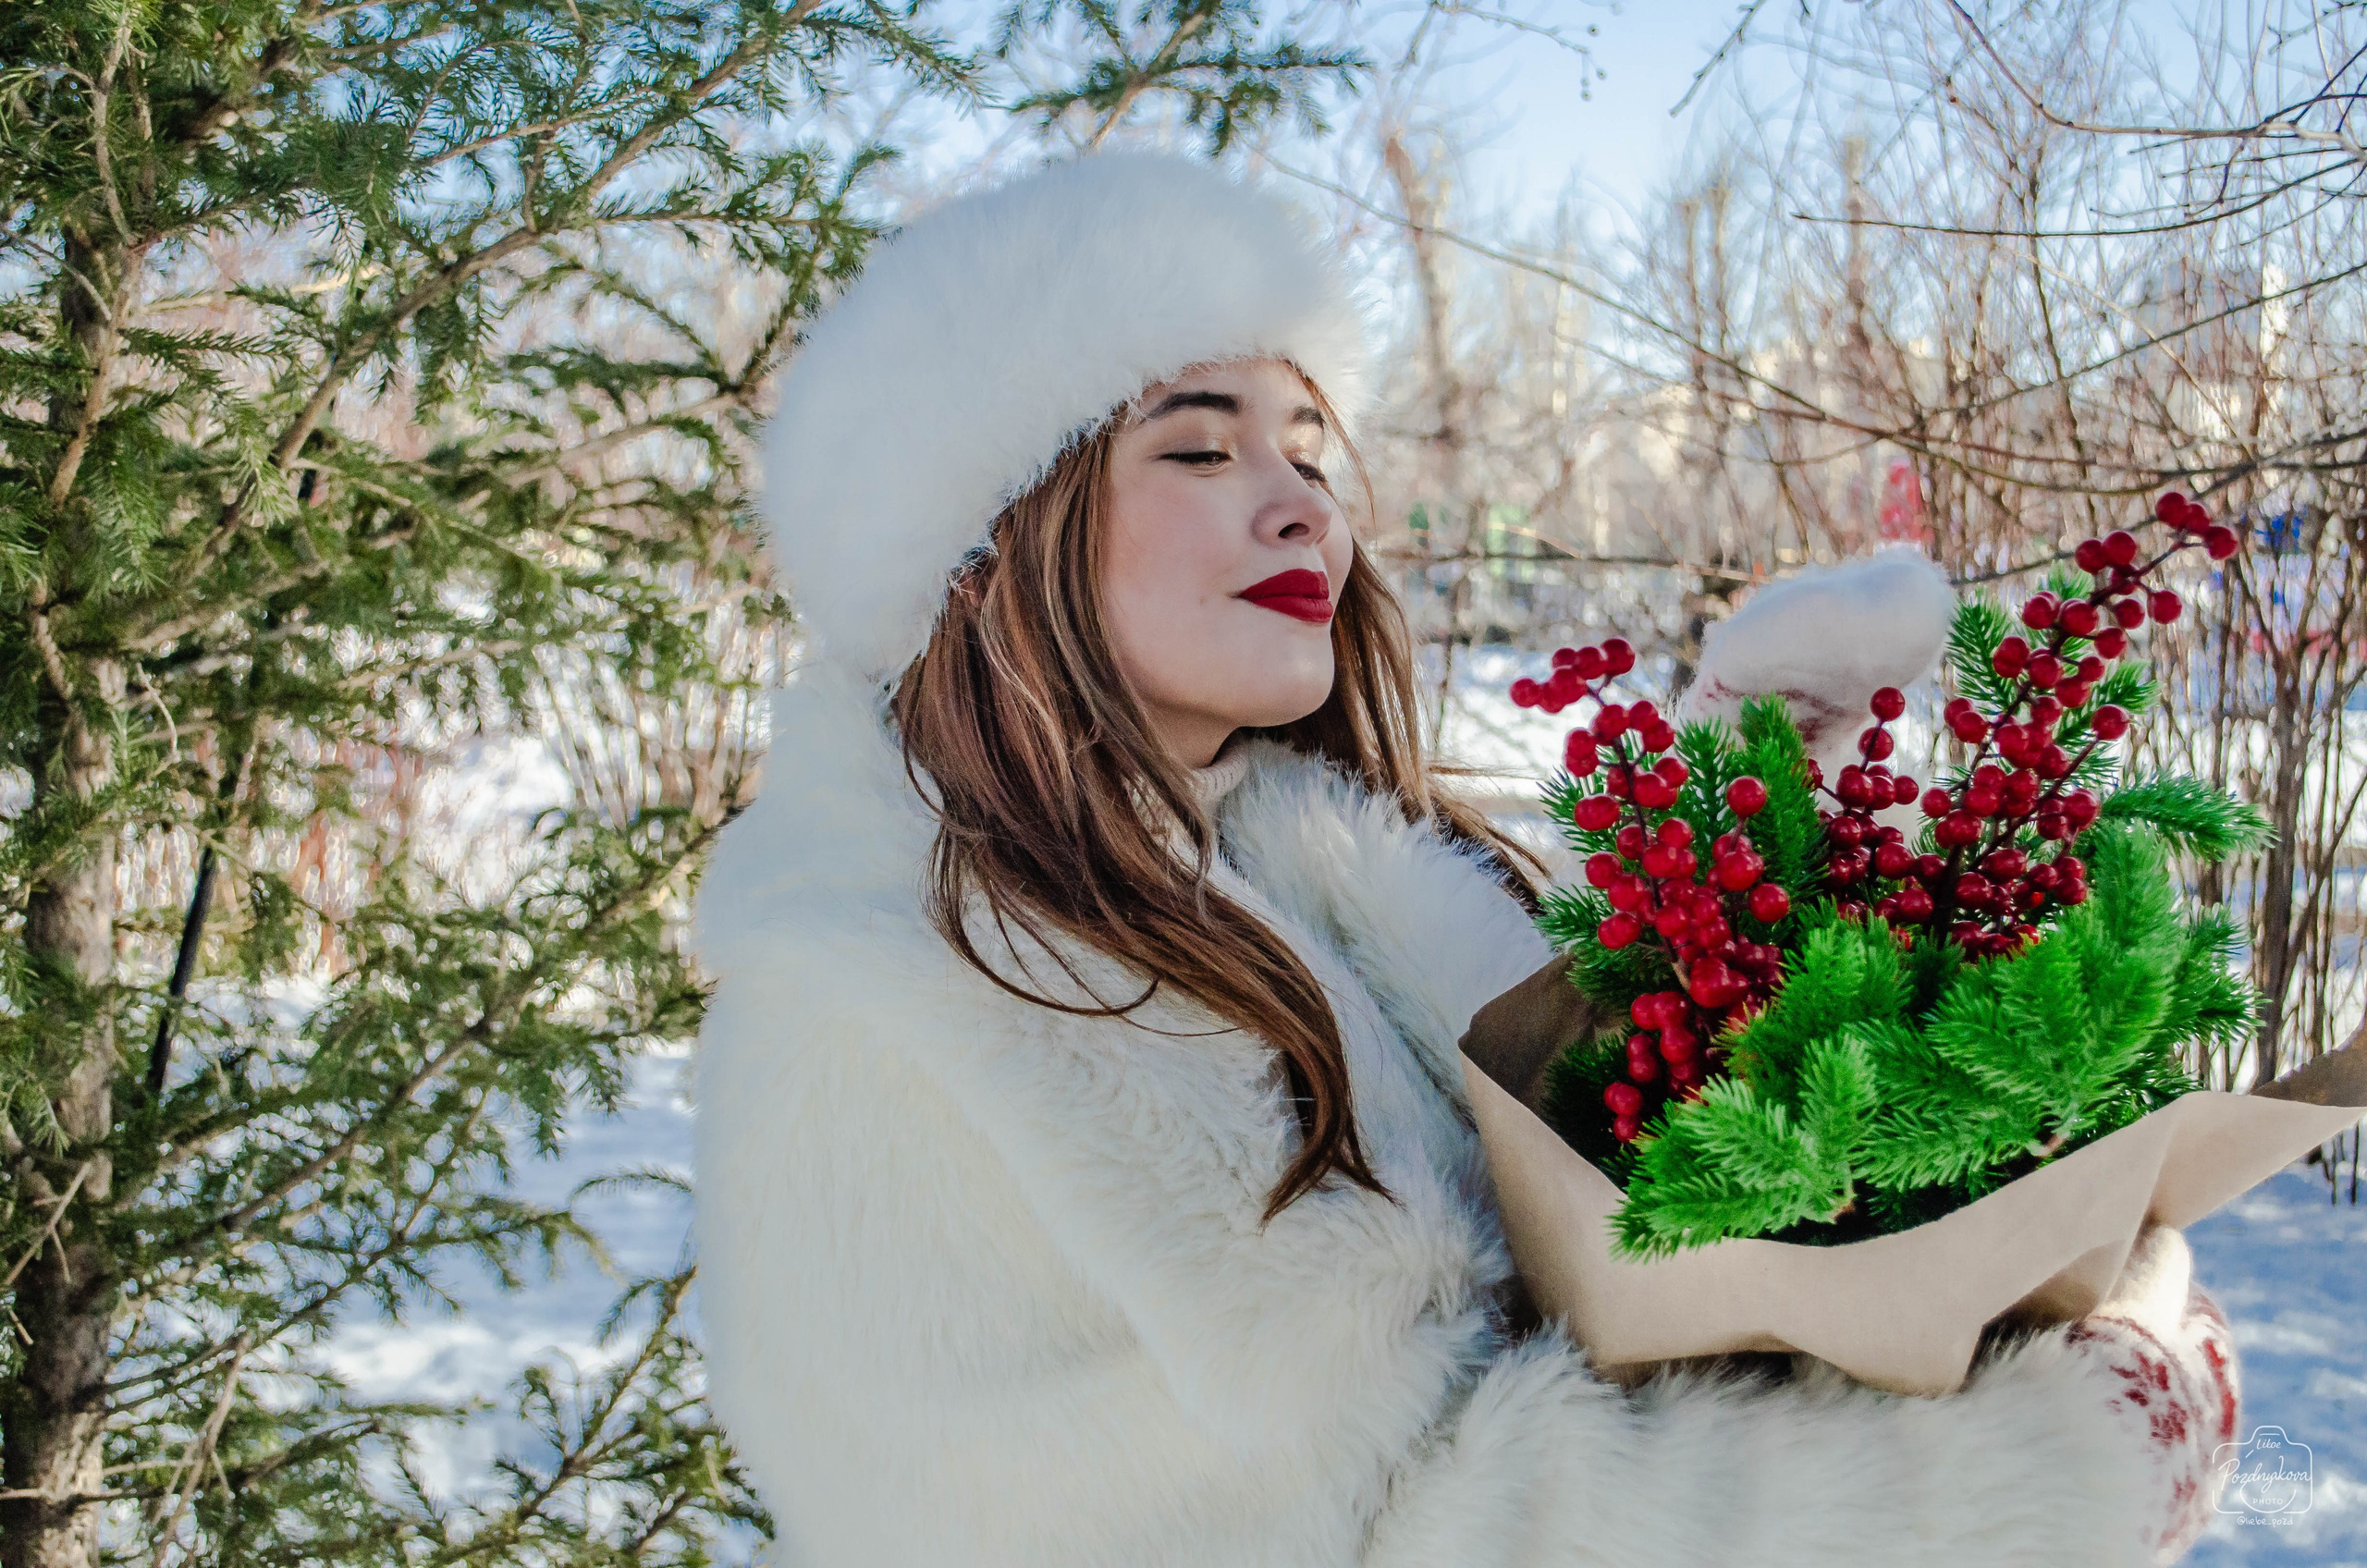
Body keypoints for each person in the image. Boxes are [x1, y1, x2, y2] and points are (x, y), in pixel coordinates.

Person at [689, 153, 2240, 1568]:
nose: (1302, 508)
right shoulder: (918, 998)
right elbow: (1432, 1517)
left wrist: (1752, 846)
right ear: (990, 546)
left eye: (1309, 452)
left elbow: (1579, 1190)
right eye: (1201, 450)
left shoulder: (1280, 860)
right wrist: (2052, 1463)